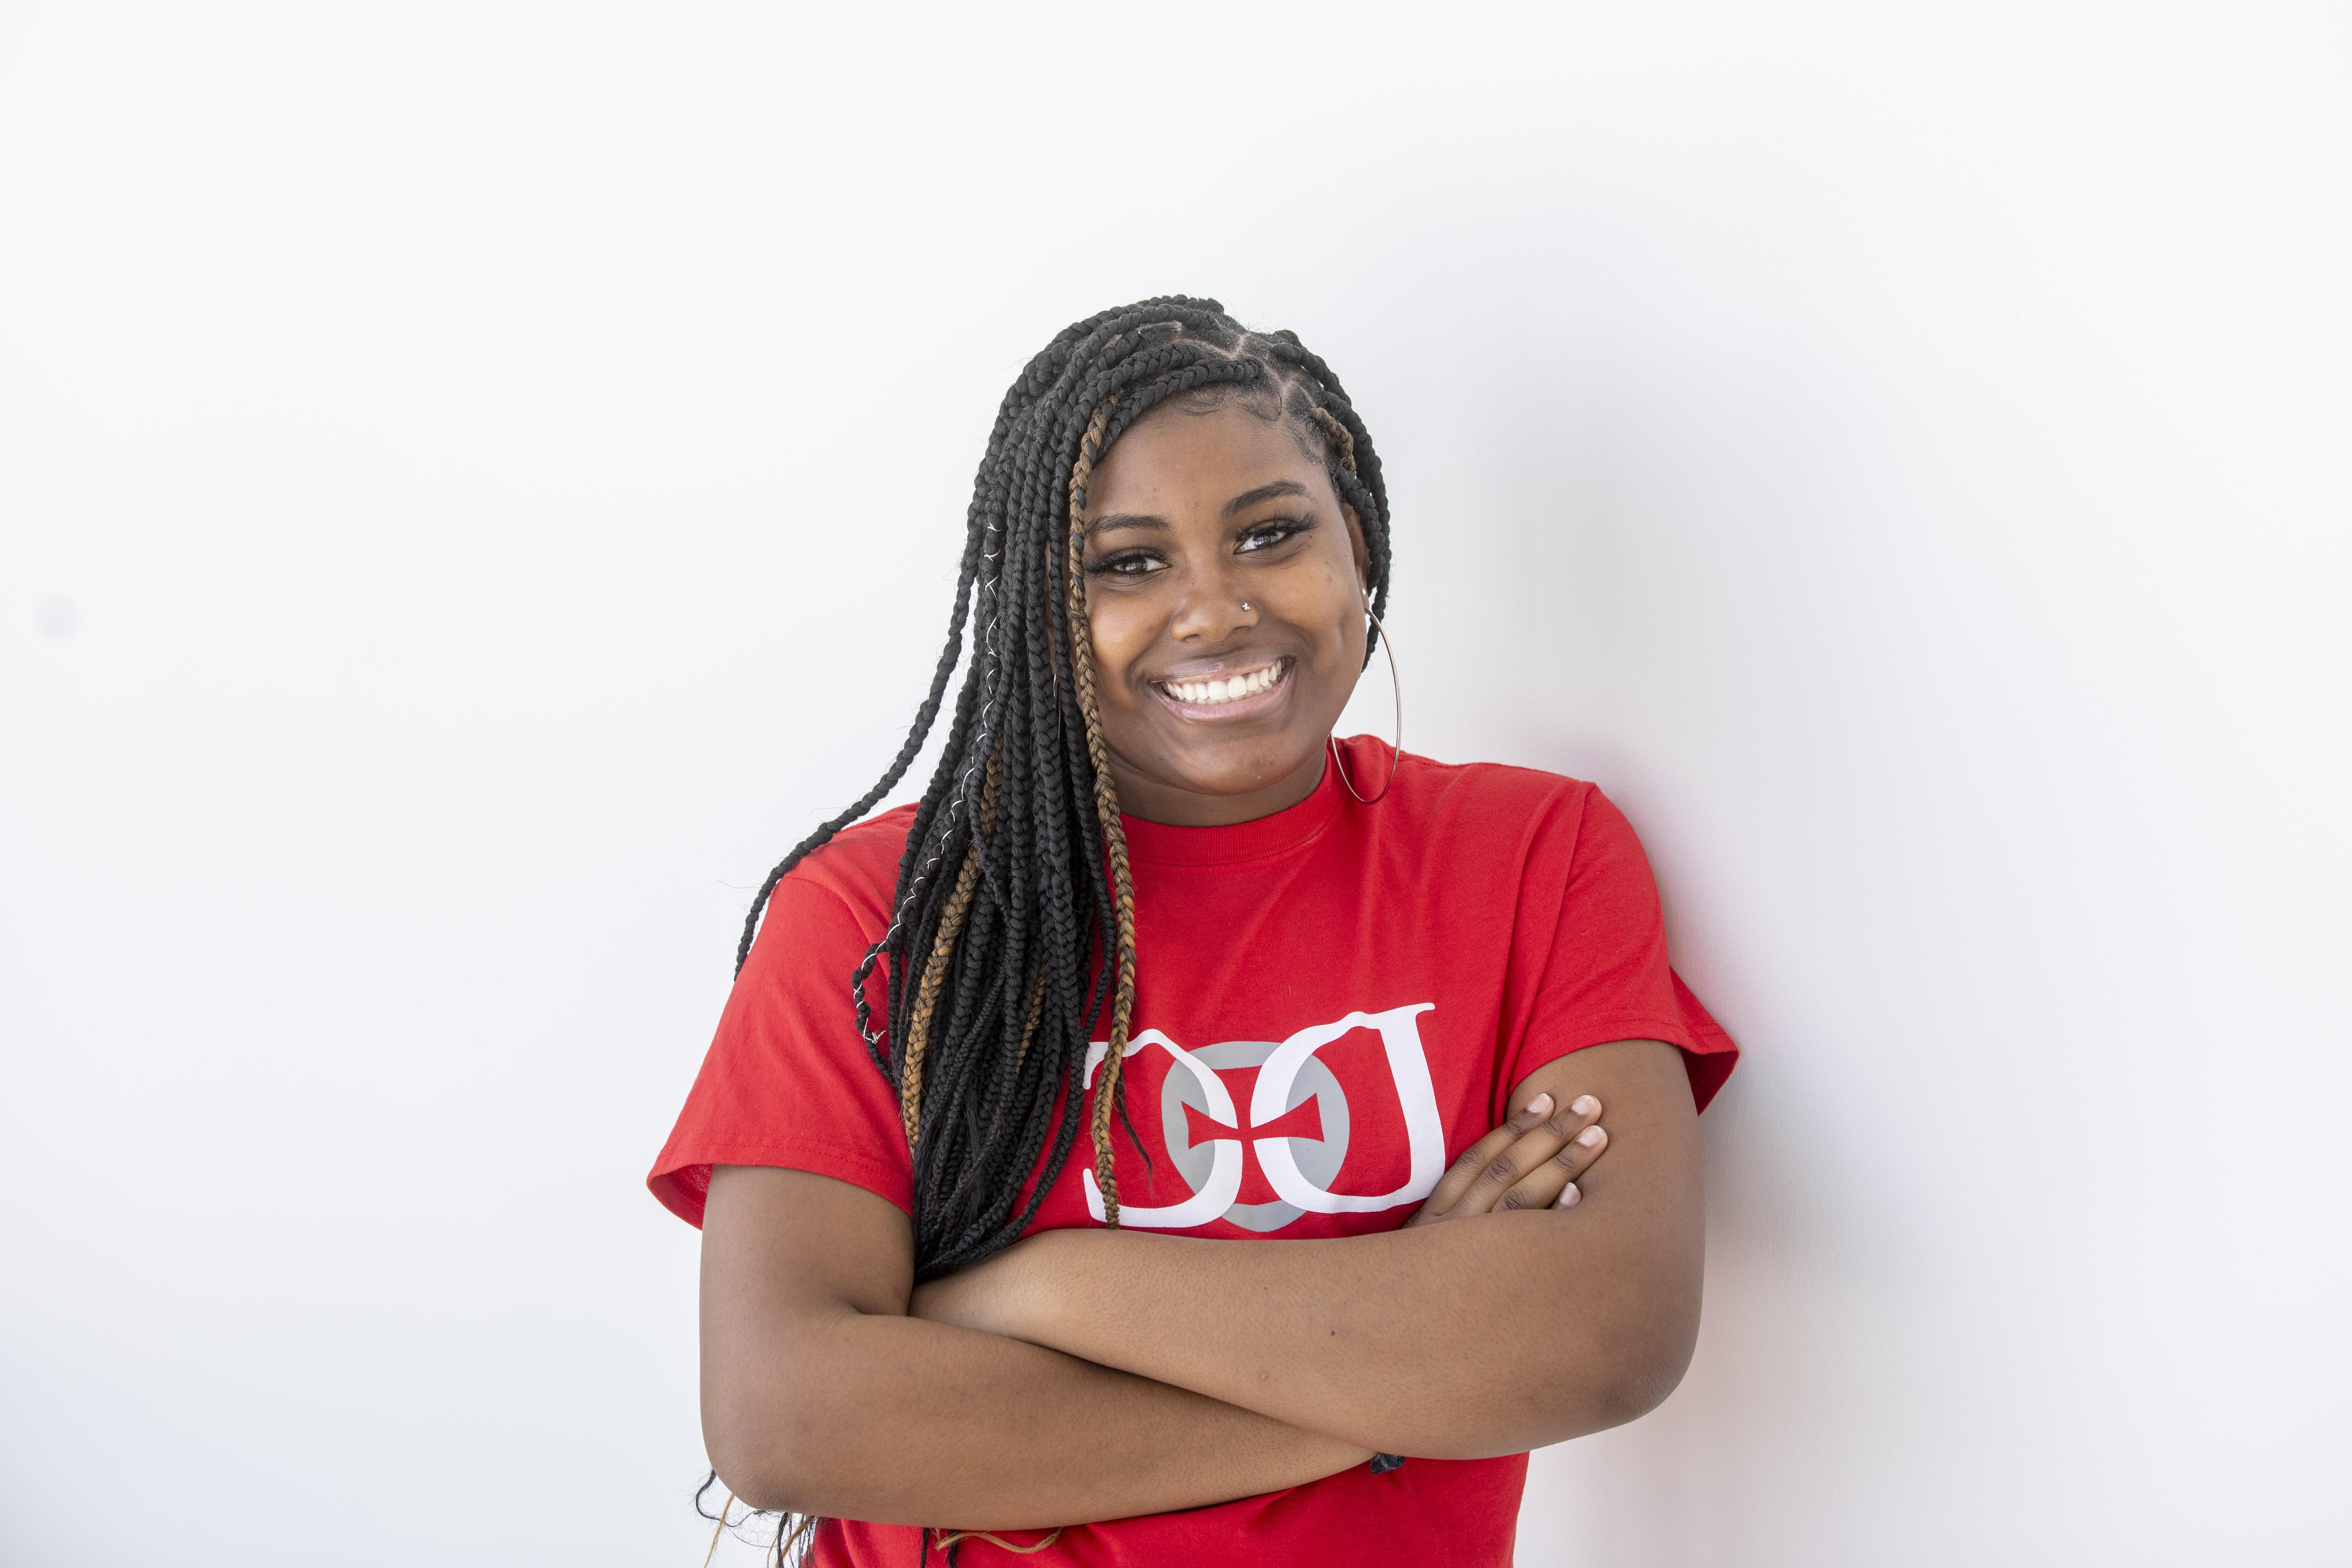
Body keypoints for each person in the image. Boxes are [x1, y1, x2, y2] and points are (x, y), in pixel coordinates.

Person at [648, 298, 1738, 1566]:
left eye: (1270, 535)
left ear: (1361, 545)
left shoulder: (1531, 858)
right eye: (1127, 562)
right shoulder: (878, 918)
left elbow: (1606, 1333)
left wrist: (1039, 1288)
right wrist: (1393, 1387)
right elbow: (786, 1417)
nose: (1214, 611)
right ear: (1037, 611)